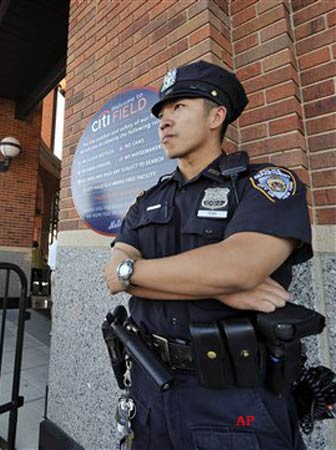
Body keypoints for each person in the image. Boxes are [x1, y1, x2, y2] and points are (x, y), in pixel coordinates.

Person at [103, 60, 311, 450]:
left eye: (179, 107)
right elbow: (113, 276)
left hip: (234, 398)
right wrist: (220, 289)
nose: (164, 122)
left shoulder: (263, 185)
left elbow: (239, 267)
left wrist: (136, 273)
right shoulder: (149, 199)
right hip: (151, 384)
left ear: (217, 115)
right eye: (161, 114)